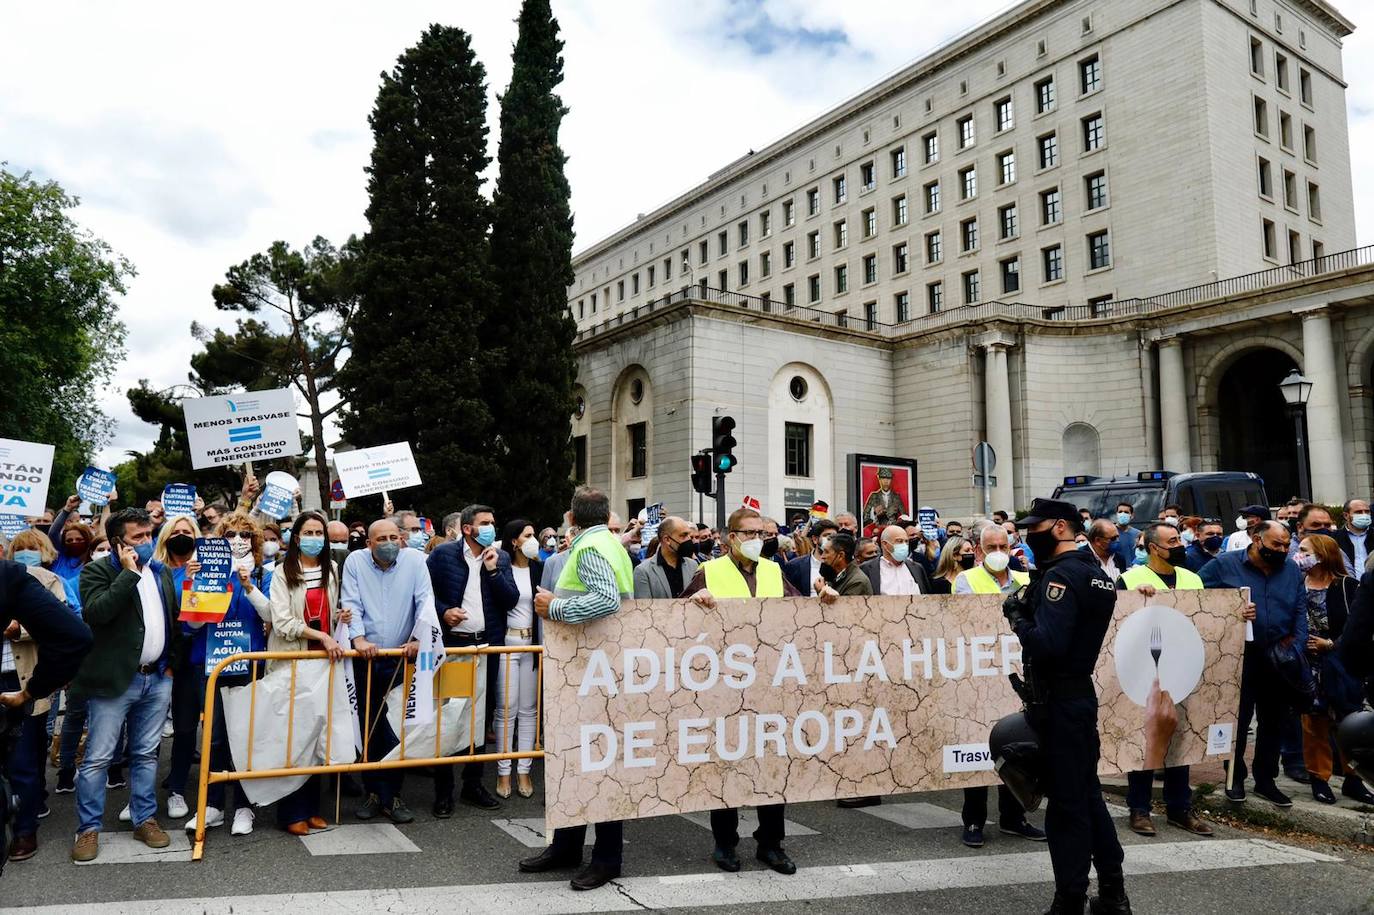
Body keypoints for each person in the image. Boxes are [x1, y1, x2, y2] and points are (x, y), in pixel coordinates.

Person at [1004, 498, 1129, 915]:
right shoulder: (1094, 573)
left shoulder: (1062, 575)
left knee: (1067, 808)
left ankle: (1071, 899)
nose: (1028, 535)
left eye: (1034, 527)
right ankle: (1112, 894)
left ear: (1060, 527)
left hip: (1059, 701)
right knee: (1087, 798)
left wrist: (1018, 618)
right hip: (1073, 698)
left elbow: (1048, 644)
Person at [519, 486, 632, 891]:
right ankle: (566, 845)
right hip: (590, 666)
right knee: (574, 760)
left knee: (599, 763)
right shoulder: (609, 543)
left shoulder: (589, 548)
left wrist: (556, 607)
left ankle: (606, 858)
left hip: (593, 667)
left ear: (571, 517)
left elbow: (606, 601)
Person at [685, 506, 806, 877]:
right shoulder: (708, 572)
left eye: (761, 534)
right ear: (731, 537)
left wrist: (825, 600)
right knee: (726, 765)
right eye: (749, 533)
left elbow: (802, 615)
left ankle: (771, 843)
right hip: (725, 685)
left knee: (772, 765)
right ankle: (725, 843)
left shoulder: (773, 571)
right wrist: (694, 602)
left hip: (769, 683)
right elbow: (676, 619)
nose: (757, 539)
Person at [70, 508, 184, 863]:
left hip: (157, 678)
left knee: (146, 754)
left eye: (149, 535)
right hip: (115, 682)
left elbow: (173, 620)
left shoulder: (161, 572)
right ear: (119, 543)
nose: (147, 542)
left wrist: (170, 666)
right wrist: (129, 573)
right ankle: (88, 829)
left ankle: (144, 819)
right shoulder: (96, 572)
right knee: (98, 758)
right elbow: (97, 613)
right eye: (138, 537)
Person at [1117, 523, 1213, 838]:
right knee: (1145, 738)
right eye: (1172, 541)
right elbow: (1117, 623)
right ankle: (1139, 808)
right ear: (1153, 548)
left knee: (1180, 739)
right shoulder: (1130, 579)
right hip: (1143, 670)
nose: (1179, 545)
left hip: (1182, 667)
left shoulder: (1192, 578)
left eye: (1179, 540)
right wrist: (1136, 601)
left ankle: (1179, 807)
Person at [179, 513, 272, 837]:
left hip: (250, 665)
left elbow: (271, 615)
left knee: (245, 737)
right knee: (215, 737)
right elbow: (192, 625)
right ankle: (213, 805)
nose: (238, 539)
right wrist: (194, 585)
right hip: (212, 664)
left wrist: (248, 586)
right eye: (230, 534)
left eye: (245, 534)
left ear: (254, 540)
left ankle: (245, 806)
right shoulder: (206, 572)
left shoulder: (263, 573)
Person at [1201, 520, 1306, 806]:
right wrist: (1230, 609)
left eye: (1286, 545)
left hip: (1279, 657)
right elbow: (1198, 597)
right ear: (1257, 540)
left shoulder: (1291, 570)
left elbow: (1299, 610)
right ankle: (1234, 777)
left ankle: (1266, 780)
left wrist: (1295, 647)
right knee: (1238, 719)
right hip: (1240, 656)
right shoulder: (1224, 565)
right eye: (1276, 544)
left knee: (1273, 721)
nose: (1282, 550)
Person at [342, 518, 438, 825]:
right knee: (369, 725)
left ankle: (393, 795)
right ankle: (372, 792)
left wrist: (419, 638)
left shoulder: (415, 562)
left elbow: (425, 601)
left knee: (396, 728)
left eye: (394, 537)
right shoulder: (355, 562)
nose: (388, 543)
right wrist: (358, 638)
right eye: (381, 538)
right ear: (368, 543)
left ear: (402, 539)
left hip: (401, 657)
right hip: (366, 657)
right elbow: (351, 602)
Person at [0, 559, 93, 862]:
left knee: (23, 760)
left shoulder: (22, 577)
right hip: (22, 687)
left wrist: (31, 690)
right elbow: (73, 635)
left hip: (17, 677)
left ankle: (25, 829)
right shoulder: (10, 576)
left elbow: (68, 627)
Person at [426, 504, 516, 815]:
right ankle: (443, 790)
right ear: (467, 529)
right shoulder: (443, 555)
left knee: (481, 716)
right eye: (485, 523)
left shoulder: (500, 557)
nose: (491, 527)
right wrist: (443, 612)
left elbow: (510, 600)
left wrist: (493, 571)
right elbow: (424, 594)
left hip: (487, 647)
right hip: (455, 648)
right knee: (449, 717)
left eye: (493, 522)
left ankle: (473, 783)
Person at [269, 510, 350, 835]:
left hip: (324, 664)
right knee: (294, 738)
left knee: (318, 737)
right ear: (296, 538)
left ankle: (312, 808)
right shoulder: (282, 572)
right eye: (309, 533)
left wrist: (340, 619)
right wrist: (321, 636)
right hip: (293, 662)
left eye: (320, 533)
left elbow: (330, 611)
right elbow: (282, 622)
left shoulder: (332, 569)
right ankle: (291, 813)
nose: (315, 538)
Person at [1295, 534, 1374, 805]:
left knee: (1348, 720)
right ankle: (1319, 779)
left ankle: (1354, 778)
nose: (1299, 555)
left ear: (1322, 554)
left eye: (1304, 550)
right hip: (1308, 665)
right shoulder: (1297, 585)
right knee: (1313, 723)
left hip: (1342, 663)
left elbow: (1359, 625)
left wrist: (1330, 644)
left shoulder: (1347, 585)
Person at [157, 514, 207, 822]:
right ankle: (141, 794)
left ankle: (177, 786)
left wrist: (195, 579)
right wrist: (184, 578)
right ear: (165, 538)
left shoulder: (206, 569)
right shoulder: (157, 570)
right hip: (163, 657)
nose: (181, 536)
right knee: (150, 727)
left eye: (187, 531)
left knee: (187, 726)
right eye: (175, 532)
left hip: (195, 656)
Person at [489, 519, 542, 801]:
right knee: (506, 708)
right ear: (514, 541)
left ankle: (524, 770)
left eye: (534, 534)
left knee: (528, 709)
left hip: (532, 644)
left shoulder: (537, 568)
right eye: (528, 535)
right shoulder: (502, 567)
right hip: (507, 644)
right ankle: (503, 770)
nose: (534, 539)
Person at [633, 516, 699, 599]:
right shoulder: (643, 571)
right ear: (667, 539)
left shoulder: (693, 565)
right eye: (684, 535)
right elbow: (643, 605)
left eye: (689, 535)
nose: (689, 539)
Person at [955, 523, 1029, 595]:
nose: (998, 552)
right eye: (991, 548)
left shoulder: (1025, 579)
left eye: (1003, 547)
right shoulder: (965, 579)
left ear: (1009, 549)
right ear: (979, 551)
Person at [862, 525, 934, 596]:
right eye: (899, 541)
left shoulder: (917, 568)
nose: (904, 545)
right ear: (885, 544)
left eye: (906, 541)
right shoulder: (867, 569)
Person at [782, 518, 837, 596]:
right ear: (815, 539)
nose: (831, 540)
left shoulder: (840, 565)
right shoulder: (794, 566)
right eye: (826, 535)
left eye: (834, 536)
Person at [1334, 498, 1372, 578]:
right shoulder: (1335, 537)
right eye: (1358, 512)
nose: (1364, 515)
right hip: (1347, 583)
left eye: (1367, 511)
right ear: (1346, 515)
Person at [1110, 502, 1139, 571]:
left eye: (1126, 512)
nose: (1122, 514)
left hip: (1135, 570)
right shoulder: (1110, 532)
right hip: (1116, 570)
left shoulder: (1138, 534)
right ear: (1117, 514)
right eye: (1120, 512)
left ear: (1132, 515)